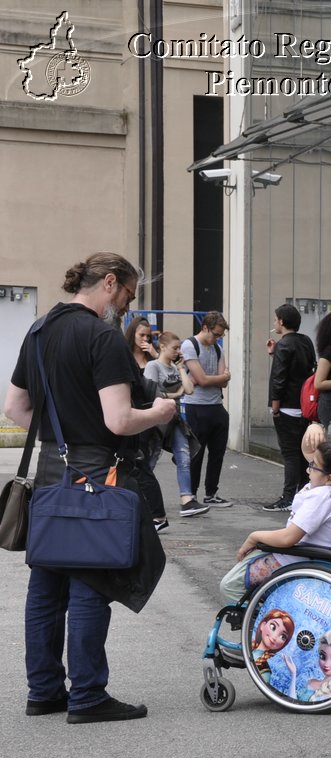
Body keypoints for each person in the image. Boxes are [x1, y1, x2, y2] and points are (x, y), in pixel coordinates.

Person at [4, 252, 177, 723]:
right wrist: (160, 413)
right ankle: (86, 696)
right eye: (127, 294)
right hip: (96, 473)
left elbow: (15, 408)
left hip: (50, 472)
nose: (126, 305)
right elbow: (119, 419)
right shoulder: (102, 337)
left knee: (46, 584)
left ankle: (43, 692)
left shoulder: (39, 331)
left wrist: (58, 434)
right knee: (89, 582)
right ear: (108, 282)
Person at [220, 439, 331, 601]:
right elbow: (310, 453)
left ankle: (265, 619)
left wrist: (254, 536)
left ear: (329, 479)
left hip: (296, 560)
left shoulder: (322, 496)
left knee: (229, 585)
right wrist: (313, 427)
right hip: (316, 559)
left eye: (313, 466)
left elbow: (288, 538)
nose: (308, 470)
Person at [144, 330, 208, 518]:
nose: (178, 351)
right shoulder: (153, 366)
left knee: (184, 456)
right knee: (150, 460)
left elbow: (188, 390)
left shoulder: (174, 368)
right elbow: (152, 393)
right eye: (175, 348)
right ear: (162, 347)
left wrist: (181, 367)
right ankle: (143, 497)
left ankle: (187, 500)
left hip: (174, 420)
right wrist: (175, 394)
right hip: (156, 420)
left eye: (179, 348)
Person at [264, 303, 317, 511]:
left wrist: (275, 408)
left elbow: (279, 378)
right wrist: (274, 353)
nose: (274, 323)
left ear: (282, 322)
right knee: (303, 453)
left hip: (286, 407)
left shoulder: (284, 344)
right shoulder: (305, 341)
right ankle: (305, 492)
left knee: (290, 454)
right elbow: (303, 367)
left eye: (276, 320)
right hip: (304, 405)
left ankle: (287, 498)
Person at [180, 311, 233, 507]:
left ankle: (211, 493)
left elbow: (222, 383)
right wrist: (220, 378)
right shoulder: (190, 345)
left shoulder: (217, 349)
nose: (218, 339)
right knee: (197, 453)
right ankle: (191, 495)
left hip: (216, 406)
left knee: (217, 453)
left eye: (220, 335)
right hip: (196, 406)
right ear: (205, 328)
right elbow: (202, 379)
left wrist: (213, 379)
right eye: (216, 334)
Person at [123, 316, 168, 530]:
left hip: (149, 417)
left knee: (141, 465)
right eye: (141, 335)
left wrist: (155, 356)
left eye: (148, 336)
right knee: (136, 466)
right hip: (130, 414)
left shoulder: (153, 361)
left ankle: (158, 515)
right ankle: (146, 512)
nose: (145, 339)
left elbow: (168, 383)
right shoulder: (124, 357)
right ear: (132, 335)